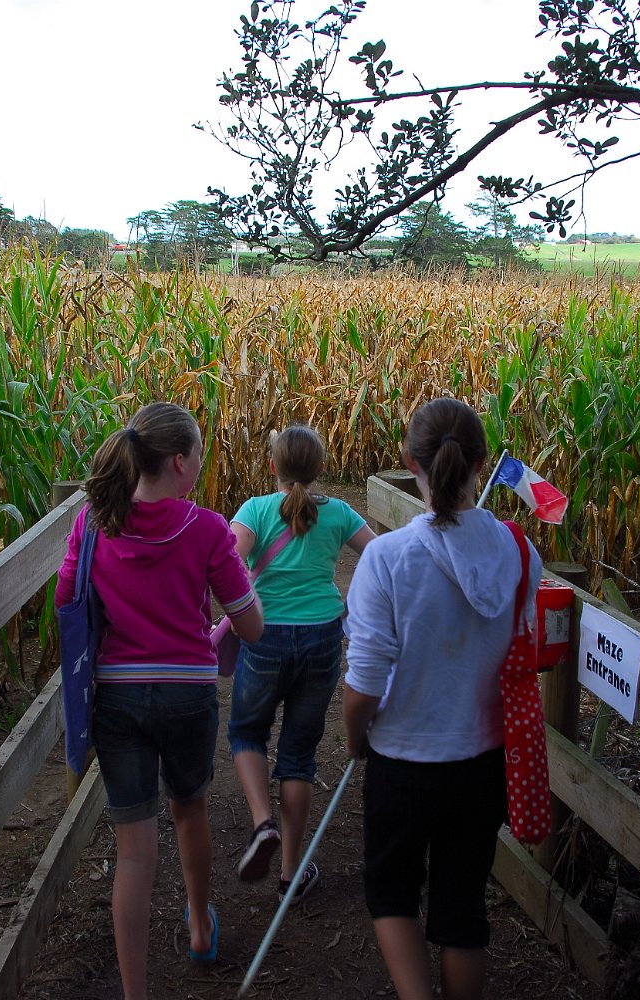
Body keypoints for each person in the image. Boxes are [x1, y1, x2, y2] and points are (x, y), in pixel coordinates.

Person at [55, 401, 263, 1000]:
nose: (200, 463)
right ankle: (199, 925)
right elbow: (251, 628)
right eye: (198, 454)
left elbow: (66, 600)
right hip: (188, 697)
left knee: (134, 854)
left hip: (117, 701)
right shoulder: (207, 528)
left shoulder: (94, 523)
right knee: (190, 809)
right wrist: (236, 604)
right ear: (178, 461)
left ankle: (134, 993)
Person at [341, 398, 541, 1000]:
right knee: (463, 907)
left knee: (392, 895)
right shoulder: (520, 553)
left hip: (402, 762)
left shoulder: (387, 558)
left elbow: (363, 683)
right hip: (483, 763)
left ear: (410, 462)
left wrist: (356, 740)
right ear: (481, 462)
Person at [227, 425, 376, 902]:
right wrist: (355, 603)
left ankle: (262, 823)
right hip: (322, 635)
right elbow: (381, 556)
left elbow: (227, 563)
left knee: (246, 732)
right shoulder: (340, 513)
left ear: (273, 465)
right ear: (319, 468)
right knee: (298, 753)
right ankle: (291, 874)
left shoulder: (255, 510)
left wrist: (244, 606)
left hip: (265, 634)